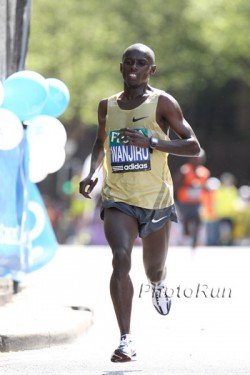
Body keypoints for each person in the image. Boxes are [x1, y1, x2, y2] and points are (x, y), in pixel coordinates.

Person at [79, 43, 201, 362]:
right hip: (118, 198)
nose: (134, 67)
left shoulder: (163, 103)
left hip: (156, 199)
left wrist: (154, 142)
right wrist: (92, 173)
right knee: (120, 258)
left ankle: (159, 285)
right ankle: (126, 339)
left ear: (152, 69)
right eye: (129, 62)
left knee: (153, 269)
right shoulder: (106, 106)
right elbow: (100, 141)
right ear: (121, 67)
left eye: (141, 63)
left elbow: (193, 146)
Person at [174, 149, 210, 247]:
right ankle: (186, 235)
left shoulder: (204, 172)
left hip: (197, 200)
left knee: (199, 218)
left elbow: (205, 185)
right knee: (186, 219)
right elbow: (176, 185)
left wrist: (205, 187)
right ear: (191, 158)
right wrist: (188, 186)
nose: (197, 160)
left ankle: (195, 238)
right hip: (184, 201)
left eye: (199, 158)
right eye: (195, 158)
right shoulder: (184, 170)